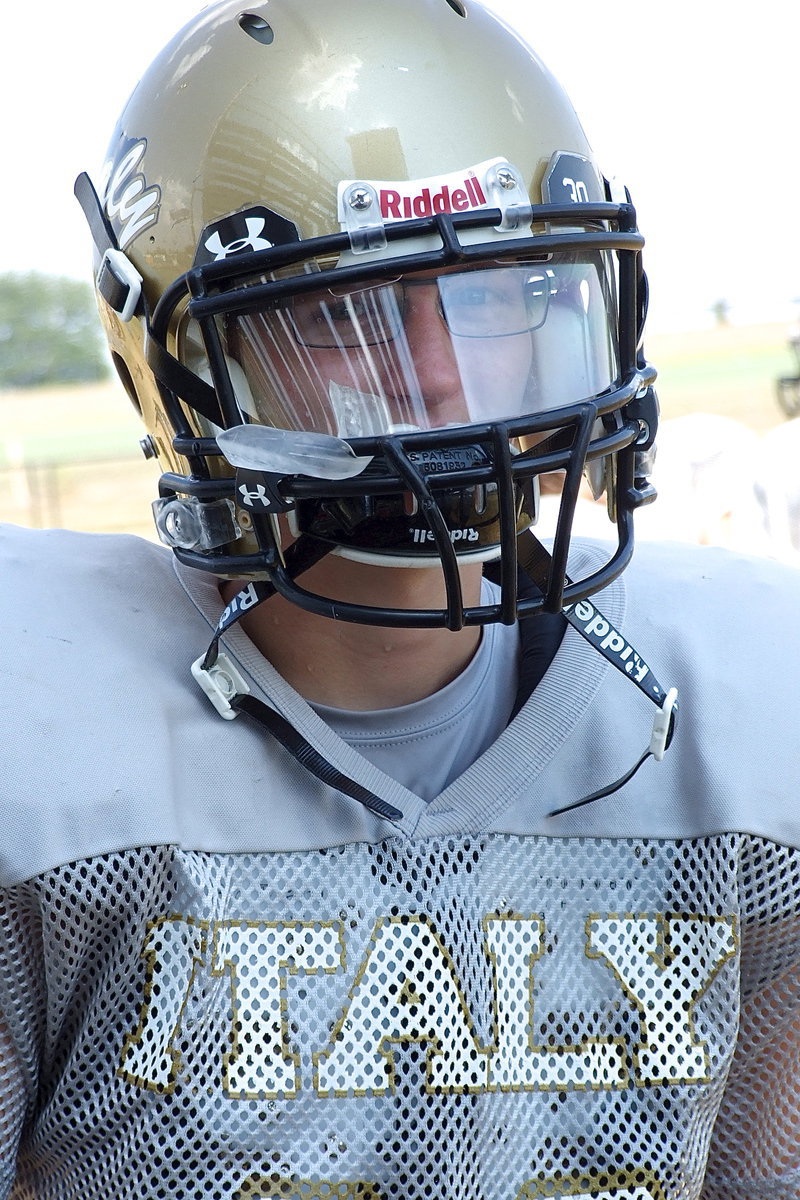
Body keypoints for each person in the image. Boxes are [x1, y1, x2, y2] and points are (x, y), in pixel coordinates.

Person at [2, 1, 799, 1197]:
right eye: (338, 318)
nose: (438, 382)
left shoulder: (749, 711)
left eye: (493, 295)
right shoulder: (44, 740)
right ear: (172, 373)